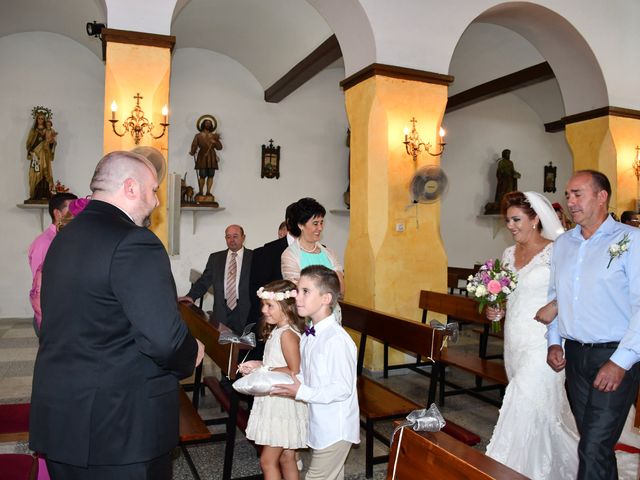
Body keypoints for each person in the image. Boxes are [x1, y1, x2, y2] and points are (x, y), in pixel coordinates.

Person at [29, 150, 203, 480]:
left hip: (63, 418)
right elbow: (164, 340)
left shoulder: (64, 238)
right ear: (131, 187)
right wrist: (192, 352)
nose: (156, 202)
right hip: (119, 428)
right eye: (153, 190)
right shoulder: (134, 242)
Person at [537, 170, 640, 479]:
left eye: (578, 194)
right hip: (576, 355)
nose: (570, 202)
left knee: (593, 445)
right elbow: (556, 297)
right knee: (594, 444)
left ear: (601, 196)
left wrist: (620, 362)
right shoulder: (563, 244)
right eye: (568, 195)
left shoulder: (630, 240)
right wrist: (554, 341)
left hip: (614, 355)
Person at [484, 191, 578, 479]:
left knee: (524, 401)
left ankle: (514, 470)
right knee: (535, 412)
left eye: (517, 219)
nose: (510, 226)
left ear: (536, 219)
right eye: (508, 220)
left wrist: (554, 306)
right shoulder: (508, 254)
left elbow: (575, 291)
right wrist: (495, 309)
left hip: (544, 342)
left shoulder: (557, 250)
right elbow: (503, 296)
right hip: (514, 340)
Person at [272, 265, 359, 480]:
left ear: (326, 298)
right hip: (321, 424)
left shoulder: (336, 340)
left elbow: (341, 389)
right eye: (297, 290)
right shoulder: (310, 334)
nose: (297, 297)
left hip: (335, 429)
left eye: (305, 291)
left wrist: (301, 391)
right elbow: (308, 375)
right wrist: (275, 378)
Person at [239, 280, 308, 480]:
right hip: (279, 399)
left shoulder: (286, 334)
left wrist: (263, 369)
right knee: (287, 457)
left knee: (267, 462)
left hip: (281, 404)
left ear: (286, 307)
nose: (264, 310)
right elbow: (277, 362)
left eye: (270, 306)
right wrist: (257, 364)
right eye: (263, 304)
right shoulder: (280, 330)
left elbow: (295, 370)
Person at [29, 198, 90, 333]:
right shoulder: (45, 243)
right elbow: (39, 290)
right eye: (71, 209)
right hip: (51, 318)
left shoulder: (69, 243)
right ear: (57, 214)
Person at [180, 224, 253, 334]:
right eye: (228, 237)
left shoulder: (253, 257)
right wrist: (191, 296)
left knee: (242, 348)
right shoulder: (216, 258)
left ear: (243, 237)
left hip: (244, 312)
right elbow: (204, 281)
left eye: (235, 236)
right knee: (221, 348)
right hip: (221, 311)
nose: (232, 240)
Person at [281, 198, 344, 295]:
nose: (320, 228)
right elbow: (299, 291)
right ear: (301, 225)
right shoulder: (290, 255)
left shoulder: (329, 253)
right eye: (315, 223)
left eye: (321, 222)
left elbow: (340, 289)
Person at [190, 115, 223, 201]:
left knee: (211, 175)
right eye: (206, 123)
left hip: (212, 156)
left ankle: (208, 192)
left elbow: (219, 147)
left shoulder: (214, 136)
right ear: (203, 124)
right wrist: (192, 151)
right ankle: (201, 192)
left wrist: (215, 142)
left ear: (212, 125)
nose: (208, 124)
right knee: (202, 175)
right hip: (202, 156)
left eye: (209, 123)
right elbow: (194, 145)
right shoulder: (198, 135)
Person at [26, 110, 56, 200]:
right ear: (36, 119)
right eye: (39, 118)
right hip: (36, 155)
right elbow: (29, 143)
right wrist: (31, 151)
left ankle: (46, 193)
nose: (40, 120)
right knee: (35, 172)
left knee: (45, 172)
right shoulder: (33, 131)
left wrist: (51, 142)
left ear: (45, 120)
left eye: (42, 119)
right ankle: (35, 194)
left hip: (45, 154)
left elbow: (53, 143)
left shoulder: (48, 131)